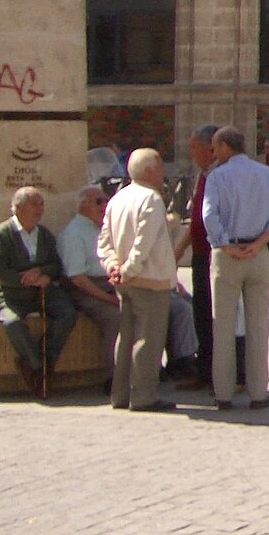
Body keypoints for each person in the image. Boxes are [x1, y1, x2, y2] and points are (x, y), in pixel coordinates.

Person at [202, 126, 269, 411]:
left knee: (224, 326)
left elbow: (209, 215)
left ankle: (223, 394)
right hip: (259, 253)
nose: (213, 154)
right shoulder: (268, 174)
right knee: (258, 325)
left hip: (228, 255)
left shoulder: (216, 177)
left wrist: (225, 244)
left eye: (215, 148)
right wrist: (259, 243)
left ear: (226, 147)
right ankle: (258, 392)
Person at [97, 148, 180, 413]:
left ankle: (120, 394)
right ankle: (143, 395)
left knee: (126, 337)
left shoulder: (117, 199)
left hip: (125, 278)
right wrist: (129, 268)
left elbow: (104, 241)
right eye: (159, 167)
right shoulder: (150, 199)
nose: (163, 172)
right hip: (148, 279)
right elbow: (143, 243)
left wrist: (113, 266)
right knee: (148, 339)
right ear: (148, 171)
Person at [0, 187, 77, 397]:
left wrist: (43, 274)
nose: (40, 209)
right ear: (18, 208)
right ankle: (40, 369)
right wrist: (24, 280)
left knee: (67, 313)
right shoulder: (1, 234)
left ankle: (44, 364)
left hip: (40, 293)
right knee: (13, 323)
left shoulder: (44, 234)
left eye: (41, 204)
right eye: (34, 204)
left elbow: (55, 264)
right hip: (7, 295)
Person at [57, 185, 121, 385]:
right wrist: (110, 299)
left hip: (110, 283)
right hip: (85, 291)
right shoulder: (73, 233)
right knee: (116, 317)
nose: (104, 206)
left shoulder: (102, 228)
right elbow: (78, 279)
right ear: (83, 206)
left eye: (106, 201)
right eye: (98, 202)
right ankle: (114, 377)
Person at [174, 125, 218, 392]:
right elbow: (195, 222)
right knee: (201, 312)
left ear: (209, 148)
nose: (190, 153)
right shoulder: (204, 175)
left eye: (193, 147)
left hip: (213, 255)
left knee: (212, 314)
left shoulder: (217, 177)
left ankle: (216, 372)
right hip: (201, 254)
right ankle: (204, 371)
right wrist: (178, 252)